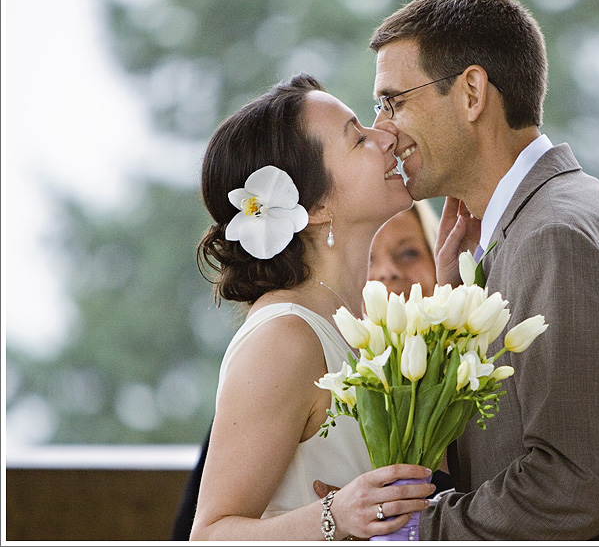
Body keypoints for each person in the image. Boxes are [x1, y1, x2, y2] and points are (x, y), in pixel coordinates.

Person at [367, 0, 599, 540]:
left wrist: (411, 531)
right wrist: (452, 299)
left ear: (472, 93)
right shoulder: (549, 222)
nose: (382, 128)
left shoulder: (556, 236)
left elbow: (579, 482)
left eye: (394, 101)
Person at [188, 73, 434, 541]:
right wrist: (336, 514)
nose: (387, 135)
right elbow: (209, 536)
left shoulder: (364, 326)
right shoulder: (286, 338)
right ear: (316, 205)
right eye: (359, 137)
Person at [170, 200, 444, 540]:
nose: (388, 271)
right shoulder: (286, 362)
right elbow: (203, 534)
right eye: (368, 257)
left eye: (408, 254)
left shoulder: (458, 380)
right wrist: (336, 514)